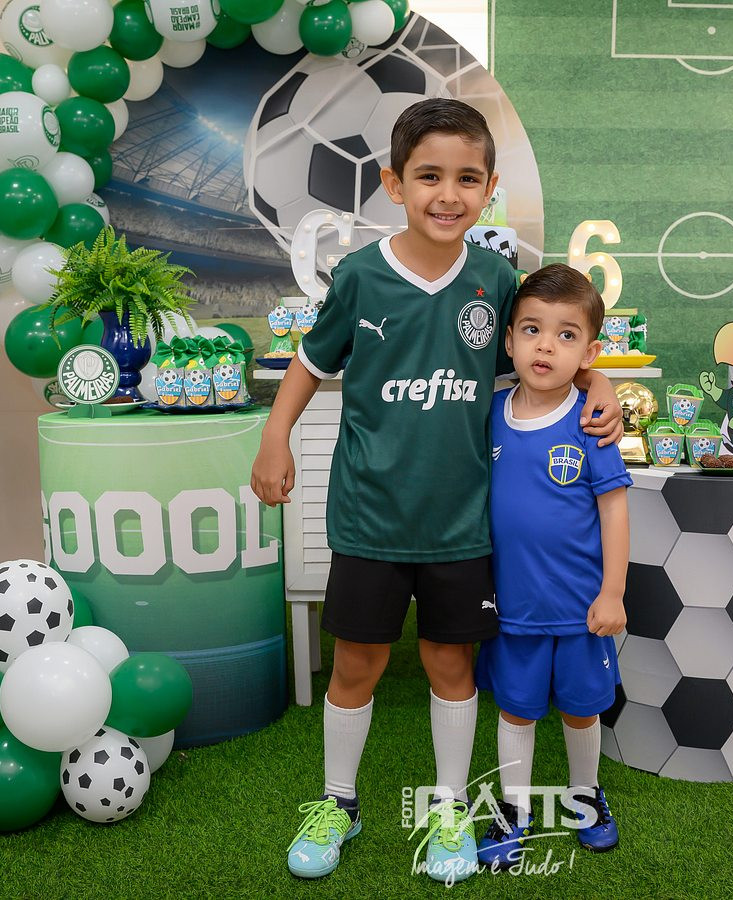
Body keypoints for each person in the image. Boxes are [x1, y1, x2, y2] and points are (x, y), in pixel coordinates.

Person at [249, 99, 622, 882]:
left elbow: (546, 344)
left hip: (461, 525)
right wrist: (274, 436)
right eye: (428, 176)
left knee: (451, 667)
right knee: (357, 664)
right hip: (370, 518)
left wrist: (598, 382)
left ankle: (451, 808)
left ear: (489, 188)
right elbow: (311, 363)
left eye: (466, 179)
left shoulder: (496, 278)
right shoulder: (360, 275)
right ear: (394, 184)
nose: (447, 195)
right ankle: (338, 802)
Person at [474, 264, 631, 868]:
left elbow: (614, 512)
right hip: (513, 607)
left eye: (566, 335)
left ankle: (585, 796)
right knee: (516, 708)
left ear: (590, 353)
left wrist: (612, 592)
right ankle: (513, 810)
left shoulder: (591, 421)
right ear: (508, 340)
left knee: (581, 707)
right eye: (532, 330)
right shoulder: (489, 413)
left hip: (580, 607)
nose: (545, 346)